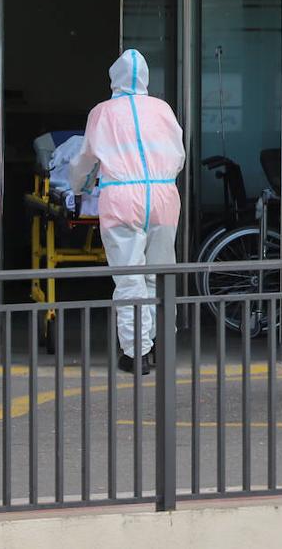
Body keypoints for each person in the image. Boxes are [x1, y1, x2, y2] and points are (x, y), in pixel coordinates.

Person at [68, 49, 185, 375]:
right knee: (160, 277)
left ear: (114, 79)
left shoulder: (103, 113)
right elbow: (179, 155)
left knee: (130, 279)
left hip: (121, 199)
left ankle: (136, 355)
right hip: (163, 195)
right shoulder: (162, 109)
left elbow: (84, 161)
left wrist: (76, 186)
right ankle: (163, 346)